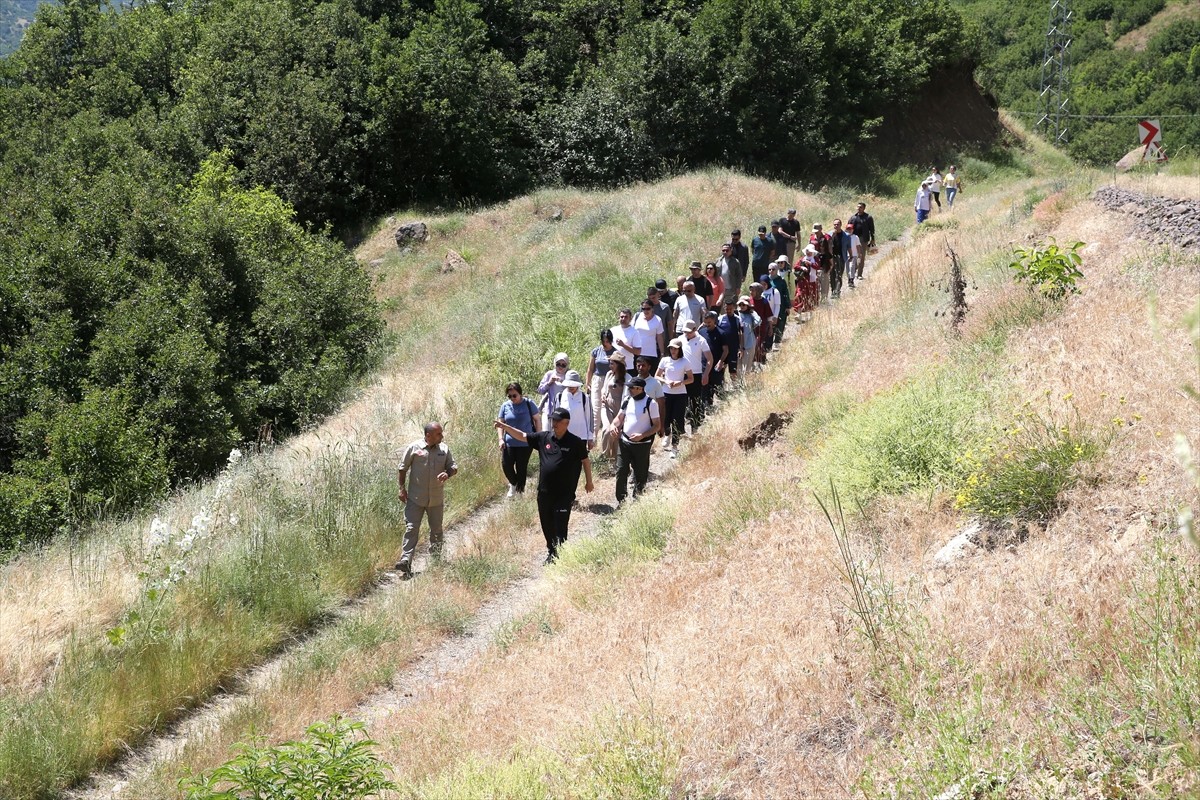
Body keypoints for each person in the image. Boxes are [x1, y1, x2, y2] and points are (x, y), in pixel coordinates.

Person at [495, 408, 593, 564]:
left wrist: (589, 481)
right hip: (545, 492)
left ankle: (560, 553)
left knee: (560, 523)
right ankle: (552, 551)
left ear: (566, 423)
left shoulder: (575, 442)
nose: (554, 424)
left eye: (557, 421)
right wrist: (505, 428)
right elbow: (523, 436)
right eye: (553, 420)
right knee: (547, 523)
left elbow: (585, 461)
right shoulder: (544, 438)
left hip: (564, 493)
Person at [395, 422, 458, 576]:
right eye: (438, 434)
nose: (442, 436)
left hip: (436, 499)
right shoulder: (414, 448)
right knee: (411, 528)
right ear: (428, 435)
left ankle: (435, 560)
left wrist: (448, 473)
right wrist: (402, 489)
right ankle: (405, 561)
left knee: (436, 530)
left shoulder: (444, 449)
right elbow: (402, 468)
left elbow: (454, 466)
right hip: (415, 498)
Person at [611, 376, 660, 504]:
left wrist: (643, 435)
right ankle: (621, 500)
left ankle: (637, 500)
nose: (629, 390)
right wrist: (613, 425)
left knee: (640, 473)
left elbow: (657, 425)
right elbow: (619, 417)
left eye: (632, 388)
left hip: (642, 444)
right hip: (624, 442)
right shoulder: (627, 400)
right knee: (621, 471)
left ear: (640, 388)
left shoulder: (651, 403)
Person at [497, 383, 540, 498]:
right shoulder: (505, 406)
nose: (512, 398)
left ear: (520, 394)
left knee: (521, 467)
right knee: (506, 465)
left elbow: (537, 419)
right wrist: (501, 439)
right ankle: (513, 484)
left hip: (525, 442)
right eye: (509, 396)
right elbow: (500, 424)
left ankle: (520, 492)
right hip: (509, 442)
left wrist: (537, 436)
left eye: (514, 395)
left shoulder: (529, 404)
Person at [655, 338, 693, 456]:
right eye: (671, 348)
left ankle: (675, 446)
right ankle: (667, 433)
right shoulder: (665, 360)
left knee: (677, 419)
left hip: (680, 394)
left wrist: (680, 383)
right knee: (666, 418)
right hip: (666, 393)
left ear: (679, 349)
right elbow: (657, 375)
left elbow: (691, 379)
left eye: (675, 349)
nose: (673, 351)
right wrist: (666, 381)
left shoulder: (685, 361)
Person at [584, 329, 618, 439]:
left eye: (608, 341)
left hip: (610, 379)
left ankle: (608, 433)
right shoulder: (596, 351)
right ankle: (593, 436)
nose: (606, 343)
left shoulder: (615, 352)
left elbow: (620, 368)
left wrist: (612, 361)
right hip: (597, 380)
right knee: (596, 407)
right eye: (604, 341)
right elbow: (590, 368)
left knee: (609, 407)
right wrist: (587, 383)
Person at [680, 319, 711, 432]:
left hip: (696, 374)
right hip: (681, 374)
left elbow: (709, 359)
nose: (686, 334)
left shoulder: (701, 340)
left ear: (694, 329)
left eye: (689, 332)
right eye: (685, 332)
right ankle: (680, 427)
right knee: (681, 401)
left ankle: (695, 427)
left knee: (695, 401)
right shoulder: (680, 339)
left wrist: (706, 374)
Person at [555, 370, 593, 448]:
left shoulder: (584, 397)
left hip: (581, 436)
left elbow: (589, 418)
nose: (571, 387)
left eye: (573, 384)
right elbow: (556, 417)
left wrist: (590, 438)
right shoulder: (560, 397)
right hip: (564, 436)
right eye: (569, 384)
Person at [699, 310, 730, 407]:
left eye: (709, 322)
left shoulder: (721, 333)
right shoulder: (701, 332)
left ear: (714, 321)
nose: (707, 324)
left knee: (717, 387)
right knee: (705, 388)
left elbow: (725, 350)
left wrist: (721, 361)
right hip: (704, 365)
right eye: (705, 322)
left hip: (717, 365)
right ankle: (707, 407)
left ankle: (726, 406)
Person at [598, 358, 627, 458]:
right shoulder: (609, 374)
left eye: (612, 364)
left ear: (619, 365)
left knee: (616, 434)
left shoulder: (627, 378)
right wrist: (603, 395)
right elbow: (604, 388)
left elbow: (626, 397)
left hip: (619, 409)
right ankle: (605, 456)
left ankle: (614, 458)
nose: (610, 366)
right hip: (606, 407)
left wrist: (622, 413)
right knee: (607, 430)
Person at [537, 353, 570, 429]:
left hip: (563, 410)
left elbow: (574, 389)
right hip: (549, 409)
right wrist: (549, 383)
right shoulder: (549, 374)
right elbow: (540, 390)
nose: (560, 367)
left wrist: (564, 382)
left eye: (563, 365)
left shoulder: (568, 375)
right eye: (558, 364)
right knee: (546, 433)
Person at [634, 297, 666, 374]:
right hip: (637, 352)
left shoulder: (657, 320)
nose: (645, 311)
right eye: (643, 309)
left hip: (651, 354)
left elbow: (659, 338)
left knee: (650, 376)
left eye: (648, 309)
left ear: (652, 308)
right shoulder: (638, 316)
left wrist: (662, 353)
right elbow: (632, 332)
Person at [717, 298, 744, 383]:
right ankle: (723, 387)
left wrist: (741, 348)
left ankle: (735, 387)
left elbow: (741, 334)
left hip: (733, 349)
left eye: (730, 309)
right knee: (721, 369)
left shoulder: (738, 319)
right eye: (727, 309)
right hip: (722, 349)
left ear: (734, 308)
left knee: (733, 370)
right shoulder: (720, 319)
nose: (728, 311)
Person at [847, 202, 875, 283]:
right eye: (858, 207)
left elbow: (872, 229)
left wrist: (873, 239)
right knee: (853, 255)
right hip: (853, 238)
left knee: (861, 256)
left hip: (863, 239)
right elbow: (848, 227)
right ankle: (853, 270)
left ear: (864, 208)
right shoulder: (853, 217)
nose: (859, 208)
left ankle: (859, 274)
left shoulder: (868, 217)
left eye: (861, 207)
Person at [734, 295, 761, 376]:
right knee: (738, 366)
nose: (741, 307)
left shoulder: (752, 314)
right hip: (738, 344)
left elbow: (758, 321)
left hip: (749, 343)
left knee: (747, 366)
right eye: (740, 305)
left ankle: (746, 384)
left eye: (744, 305)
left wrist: (752, 313)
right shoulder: (736, 314)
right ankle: (738, 384)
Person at [748, 281, 774, 364]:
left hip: (761, 327)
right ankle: (755, 359)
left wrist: (770, 327)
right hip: (751, 327)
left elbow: (769, 316)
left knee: (758, 343)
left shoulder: (764, 302)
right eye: (750, 290)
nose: (751, 292)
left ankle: (760, 359)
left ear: (758, 291)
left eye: (753, 290)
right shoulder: (749, 301)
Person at [794, 246, 820, 320]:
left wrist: (810, 264)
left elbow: (817, 266)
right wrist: (801, 267)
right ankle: (799, 314)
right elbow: (795, 266)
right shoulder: (802, 259)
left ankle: (811, 315)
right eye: (807, 252)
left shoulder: (815, 259)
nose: (808, 253)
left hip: (812, 281)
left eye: (810, 252)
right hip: (802, 281)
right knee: (800, 295)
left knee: (811, 296)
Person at [768, 260, 790, 345]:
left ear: (776, 270)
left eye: (773, 269)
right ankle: (769, 343)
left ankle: (777, 341)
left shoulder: (781, 281)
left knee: (780, 323)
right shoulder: (766, 280)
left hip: (781, 305)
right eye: (769, 269)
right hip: (769, 305)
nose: (771, 271)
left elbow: (785, 293)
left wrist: (787, 306)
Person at [809, 223, 832, 304]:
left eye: (817, 231)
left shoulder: (827, 238)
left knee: (824, 283)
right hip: (814, 264)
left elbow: (830, 252)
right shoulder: (811, 238)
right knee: (815, 283)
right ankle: (815, 301)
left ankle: (824, 300)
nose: (816, 233)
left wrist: (830, 263)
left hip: (824, 263)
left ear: (821, 229)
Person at [759, 272, 782, 350]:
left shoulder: (774, 292)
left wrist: (775, 316)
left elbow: (777, 305)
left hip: (771, 316)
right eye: (761, 284)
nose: (763, 286)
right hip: (762, 317)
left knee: (769, 334)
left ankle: (768, 349)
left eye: (764, 284)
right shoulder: (760, 292)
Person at [726, 229, 750, 296]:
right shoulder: (728, 246)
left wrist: (744, 274)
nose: (734, 241)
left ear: (739, 237)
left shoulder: (744, 247)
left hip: (739, 272)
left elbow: (746, 261)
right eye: (733, 239)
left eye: (736, 239)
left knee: (736, 291)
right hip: (728, 271)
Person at [828, 219, 847, 299]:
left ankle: (837, 291)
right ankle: (833, 291)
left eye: (837, 224)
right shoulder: (829, 234)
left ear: (841, 225)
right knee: (832, 275)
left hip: (840, 257)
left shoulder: (845, 235)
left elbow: (848, 246)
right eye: (835, 224)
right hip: (831, 257)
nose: (836, 226)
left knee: (839, 274)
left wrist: (851, 256)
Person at [842, 223, 863, 294]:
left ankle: (852, 279)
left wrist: (859, 254)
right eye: (848, 229)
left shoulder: (855, 237)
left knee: (852, 267)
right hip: (846, 255)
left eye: (850, 229)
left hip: (854, 255)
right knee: (847, 268)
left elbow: (858, 246)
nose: (849, 230)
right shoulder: (844, 236)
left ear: (853, 230)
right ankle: (849, 279)